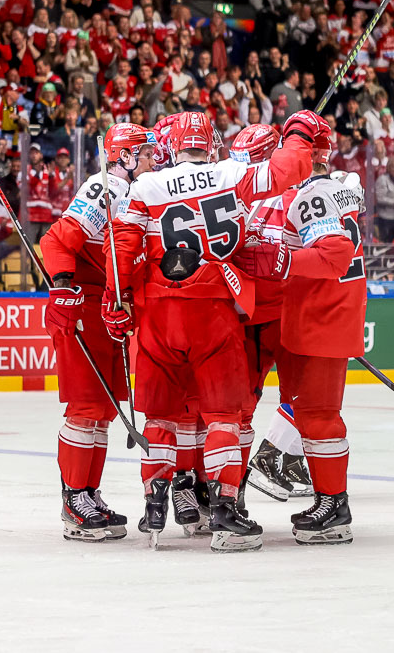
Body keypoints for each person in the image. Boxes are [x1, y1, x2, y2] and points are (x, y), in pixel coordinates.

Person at [104, 109, 327, 552]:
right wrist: (300, 133)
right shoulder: (230, 174)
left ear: (173, 146)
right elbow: (287, 169)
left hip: (160, 313)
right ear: (210, 146)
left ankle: (154, 504)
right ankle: (225, 510)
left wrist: (116, 301)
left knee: (160, 415)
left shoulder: (147, 185)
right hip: (213, 309)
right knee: (225, 414)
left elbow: (122, 247)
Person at [239, 129, 367, 545]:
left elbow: (333, 255)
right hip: (330, 311)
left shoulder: (313, 194)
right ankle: (330, 502)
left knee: (319, 416)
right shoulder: (339, 189)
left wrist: (281, 260)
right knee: (313, 413)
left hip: (321, 314)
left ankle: (334, 508)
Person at [38, 122, 154, 541]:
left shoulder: (136, 191)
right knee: (86, 407)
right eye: (145, 154)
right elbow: (55, 241)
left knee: (104, 410)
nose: (152, 160)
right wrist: (63, 285)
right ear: (124, 157)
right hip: (85, 307)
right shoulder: (104, 188)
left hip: (108, 308)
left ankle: (88, 492)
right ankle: (73, 499)